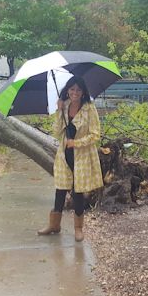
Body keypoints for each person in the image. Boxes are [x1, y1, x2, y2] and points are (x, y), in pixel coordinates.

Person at [37, 76, 103, 242]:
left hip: (81, 156)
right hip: (64, 154)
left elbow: (95, 135)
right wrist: (59, 111)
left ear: (83, 92)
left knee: (78, 191)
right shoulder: (64, 106)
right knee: (60, 189)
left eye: (78, 90)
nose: (75, 92)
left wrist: (77, 142)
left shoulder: (89, 108)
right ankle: (54, 225)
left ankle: (78, 228)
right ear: (67, 90)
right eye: (72, 89)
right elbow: (57, 132)